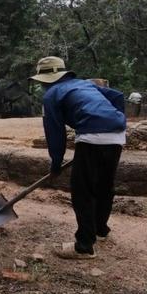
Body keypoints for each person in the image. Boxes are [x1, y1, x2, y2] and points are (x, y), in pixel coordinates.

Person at [30, 56, 126, 260]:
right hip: (117, 134)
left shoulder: (51, 95)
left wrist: (56, 163)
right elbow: (117, 96)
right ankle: (101, 230)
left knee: (83, 192)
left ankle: (84, 246)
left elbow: (55, 133)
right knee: (104, 186)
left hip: (92, 136)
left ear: (45, 80)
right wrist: (115, 119)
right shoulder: (84, 84)